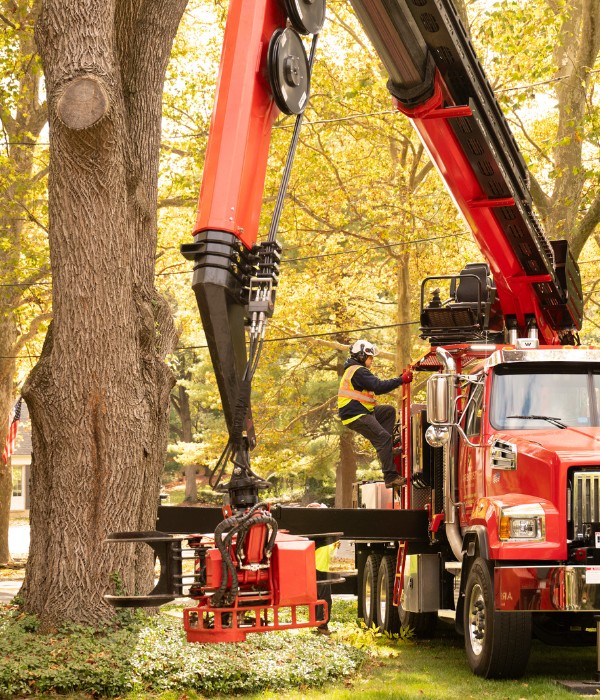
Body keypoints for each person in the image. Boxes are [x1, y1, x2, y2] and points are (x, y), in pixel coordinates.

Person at [337, 339, 413, 489]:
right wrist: (401, 380)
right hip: (356, 414)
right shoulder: (358, 371)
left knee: (388, 411)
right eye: (370, 357)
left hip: (362, 411)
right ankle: (390, 477)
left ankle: (387, 449)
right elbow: (378, 387)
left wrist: (398, 380)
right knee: (383, 438)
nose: (372, 361)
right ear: (361, 356)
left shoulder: (355, 370)